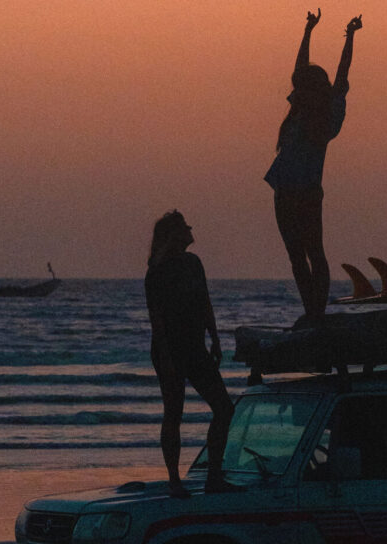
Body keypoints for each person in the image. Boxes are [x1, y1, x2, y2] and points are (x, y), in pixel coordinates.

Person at [264, 9, 363, 322]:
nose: (301, 90)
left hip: (306, 192)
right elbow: (299, 70)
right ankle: (311, 312)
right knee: (296, 257)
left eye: (308, 86)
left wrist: (350, 37)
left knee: (314, 253)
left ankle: (317, 312)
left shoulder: (327, 116)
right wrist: (308, 31)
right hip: (283, 190)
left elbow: (342, 75)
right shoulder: (299, 109)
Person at [145, 210, 242, 497]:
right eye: (185, 227)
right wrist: (166, 358)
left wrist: (215, 338)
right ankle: (174, 481)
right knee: (174, 413)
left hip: (195, 347)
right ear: (174, 234)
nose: (190, 230)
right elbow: (157, 320)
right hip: (170, 349)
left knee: (224, 408)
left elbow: (205, 302)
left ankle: (214, 476)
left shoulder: (193, 263)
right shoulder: (157, 271)